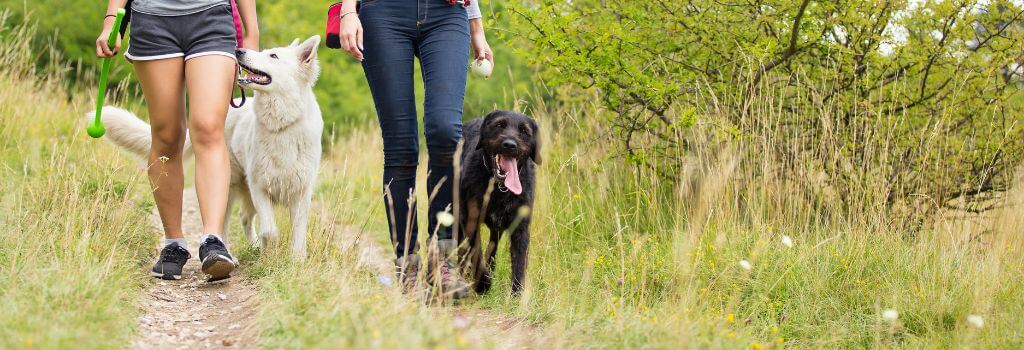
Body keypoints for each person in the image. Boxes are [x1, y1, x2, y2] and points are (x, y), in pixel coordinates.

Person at [337, 0, 493, 298]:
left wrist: (477, 28)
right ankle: (407, 265)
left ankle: (443, 260)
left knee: (446, 132)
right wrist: (348, 10)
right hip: (384, 13)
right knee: (401, 146)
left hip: (447, 14)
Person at [96, 0, 260, 281]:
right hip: (153, 21)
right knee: (167, 136)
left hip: (212, 19)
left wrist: (252, 34)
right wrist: (111, 22)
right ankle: (173, 244)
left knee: (208, 127)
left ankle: (213, 240)